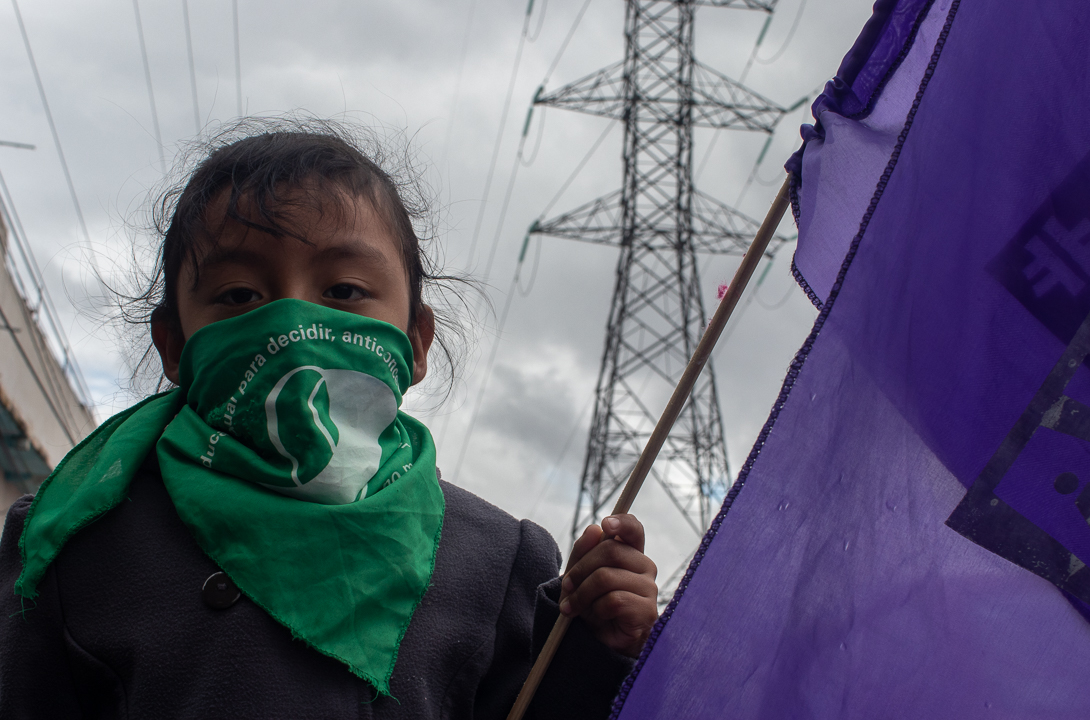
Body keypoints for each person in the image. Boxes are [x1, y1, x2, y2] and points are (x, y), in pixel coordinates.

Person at [0, 120, 659, 719]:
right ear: (175, 345)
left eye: (343, 291)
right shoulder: (74, 540)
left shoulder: (498, 558)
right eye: (239, 295)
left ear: (417, 342)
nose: (292, 325)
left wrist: (598, 643)